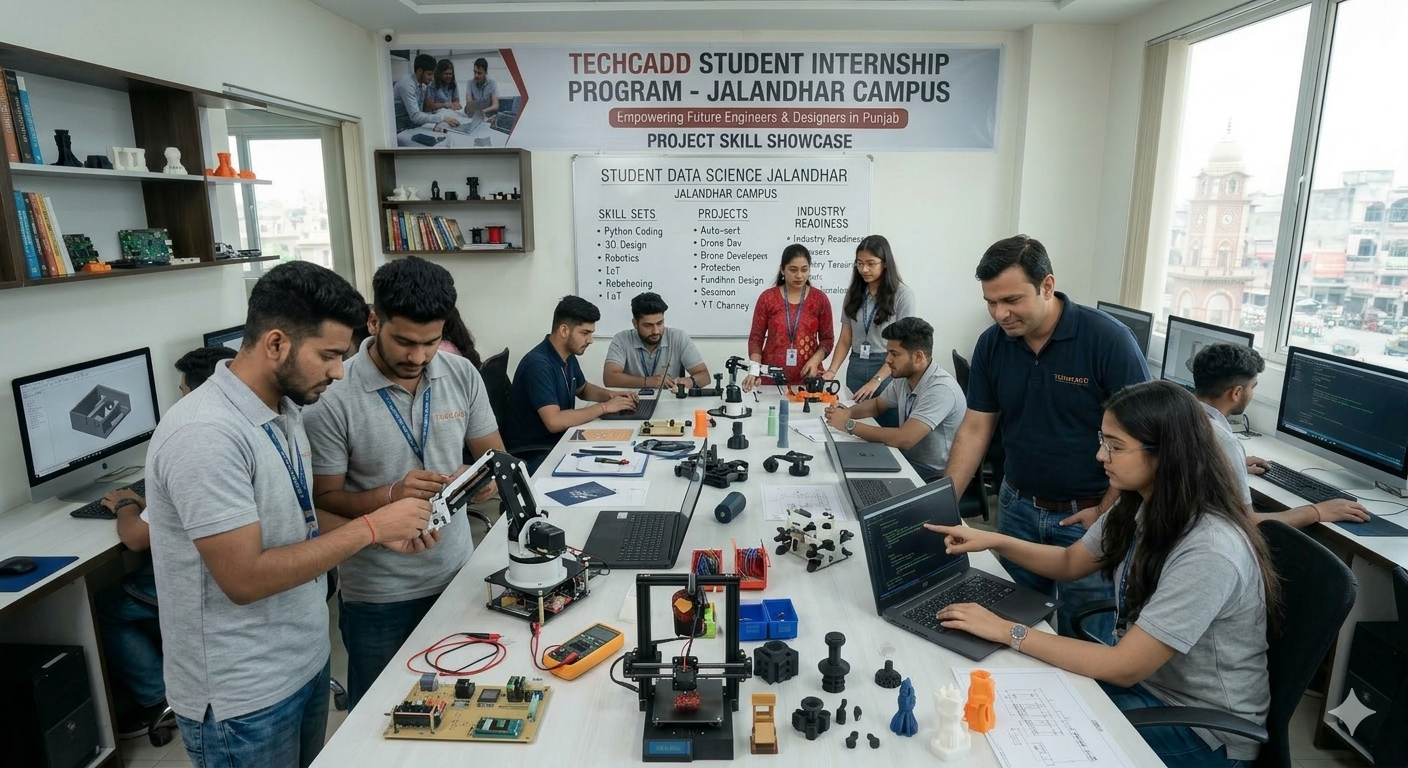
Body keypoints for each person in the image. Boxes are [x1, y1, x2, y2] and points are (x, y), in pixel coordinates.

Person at [146, 261, 436, 768]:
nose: (339, 371)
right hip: (244, 697)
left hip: (303, 661)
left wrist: (377, 535)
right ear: (276, 343)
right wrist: (371, 526)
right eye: (328, 355)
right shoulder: (205, 434)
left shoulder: (285, 410)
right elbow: (245, 578)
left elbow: (299, 521)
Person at [928, 381, 1278, 767]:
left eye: (1115, 446)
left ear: (1165, 454)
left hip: (1201, 729)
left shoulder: (1210, 549)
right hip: (1148, 688)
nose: (1100, 455)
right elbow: (1070, 562)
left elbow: (1123, 667)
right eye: (1103, 440)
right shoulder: (1140, 503)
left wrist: (1005, 630)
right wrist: (992, 540)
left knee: (1026, 746)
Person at [305, 257, 504, 710]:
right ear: (374, 321)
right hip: (380, 595)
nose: (417, 357)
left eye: (430, 342)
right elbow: (323, 499)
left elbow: (494, 458)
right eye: (404, 342)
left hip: (458, 575)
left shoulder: (461, 374)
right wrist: (390, 496)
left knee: (463, 709)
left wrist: (480, 482)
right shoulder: (332, 396)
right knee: (381, 717)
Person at [943, 235, 1150, 639]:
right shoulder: (992, 344)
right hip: (1017, 508)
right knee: (1010, 626)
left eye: (1011, 300)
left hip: (1090, 515)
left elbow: (1142, 438)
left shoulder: (1108, 340)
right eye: (990, 302)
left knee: (1084, 635)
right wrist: (943, 501)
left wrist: (1106, 511)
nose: (1000, 314)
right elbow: (976, 428)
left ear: (1047, 286)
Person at [97, 345, 238, 735]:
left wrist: (126, 504)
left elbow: (136, 539)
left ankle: (154, 697)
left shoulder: (193, 441)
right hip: (228, 575)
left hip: (208, 583)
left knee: (108, 607)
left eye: (182, 392)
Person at [1191, 343, 1369, 527]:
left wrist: (1230, 465)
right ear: (1236, 393)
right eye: (1252, 387)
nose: (1252, 393)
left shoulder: (1180, 416)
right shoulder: (1225, 443)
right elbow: (1246, 522)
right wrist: (1317, 511)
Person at [503, 296, 638, 472]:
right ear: (564, 330)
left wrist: (611, 395)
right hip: (537, 454)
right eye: (585, 333)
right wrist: (605, 407)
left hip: (560, 442)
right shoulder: (538, 364)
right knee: (609, 467)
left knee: (623, 451)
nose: (590, 340)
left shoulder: (567, 356)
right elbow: (554, 421)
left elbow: (583, 389)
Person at [822, 318, 964, 482]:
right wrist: (847, 413)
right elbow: (877, 405)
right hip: (906, 459)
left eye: (894, 354)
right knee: (839, 466)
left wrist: (849, 425)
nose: (887, 359)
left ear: (918, 357)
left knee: (858, 481)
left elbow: (905, 439)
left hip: (931, 473)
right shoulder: (905, 377)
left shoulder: (940, 389)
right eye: (888, 352)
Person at [822, 235, 916, 427]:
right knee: (852, 427)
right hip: (856, 365)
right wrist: (831, 371)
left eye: (871, 263)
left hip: (887, 368)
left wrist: (877, 380)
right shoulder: (854, 293)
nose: (864, 269)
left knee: (886, 429)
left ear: (885, 263)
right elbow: (845, 339)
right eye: (860, 263)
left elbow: (903, 348)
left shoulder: (902, 295)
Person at [743, 244, 834, 389]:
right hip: (772, 379)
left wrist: (815, 360)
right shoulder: (767, 298)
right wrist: (754, 369)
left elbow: (827, 340)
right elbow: (756, 338)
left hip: (808, 379)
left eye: (804, 270)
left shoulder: (819, 299)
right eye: (793, 270)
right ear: (782, 270)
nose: (799, 275)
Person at [603, 292, 710, 390]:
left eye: (660, 323)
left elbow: (705, 376)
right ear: (635, 323)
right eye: (648, 325)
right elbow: (609, 378)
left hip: (671, 401)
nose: (656, 331)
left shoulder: (678, 337)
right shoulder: (622, 339)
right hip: (633, 401)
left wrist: (690, 381)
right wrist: (648, 382)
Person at [393, 53, 458, 134]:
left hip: (411, 121)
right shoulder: (407, 85)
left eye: (433, 74)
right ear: (419, 71)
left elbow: (421, 113)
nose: (432, 78)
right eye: (429, 74)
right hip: (399, 125)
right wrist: (442, 118)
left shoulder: (423, 84)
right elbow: (415, 116)